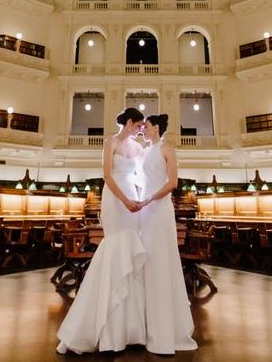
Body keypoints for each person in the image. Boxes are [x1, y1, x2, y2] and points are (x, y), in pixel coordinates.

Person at [57, 108, 148, 353]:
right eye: (139, 125)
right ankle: (103, 328)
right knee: (115, 247)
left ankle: (130, 328)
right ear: (129, 122)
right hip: (115, 201)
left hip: (133, 197)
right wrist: (126, 200)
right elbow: (107, 176)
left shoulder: (138, 148)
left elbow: (143, 174)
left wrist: (140, 197)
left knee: (129, 251)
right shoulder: (111, 143)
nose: (141, 130)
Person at [138, 114, 198, 355]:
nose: (143, 129)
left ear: (156, 128)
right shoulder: (144, 151)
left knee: (160, 260)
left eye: (146, 126)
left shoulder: (167, 148)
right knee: (146, 259)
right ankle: (143, 322)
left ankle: (165, 327)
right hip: (144, 208)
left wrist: (151, 198)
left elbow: (172, 182)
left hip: (160, 209)